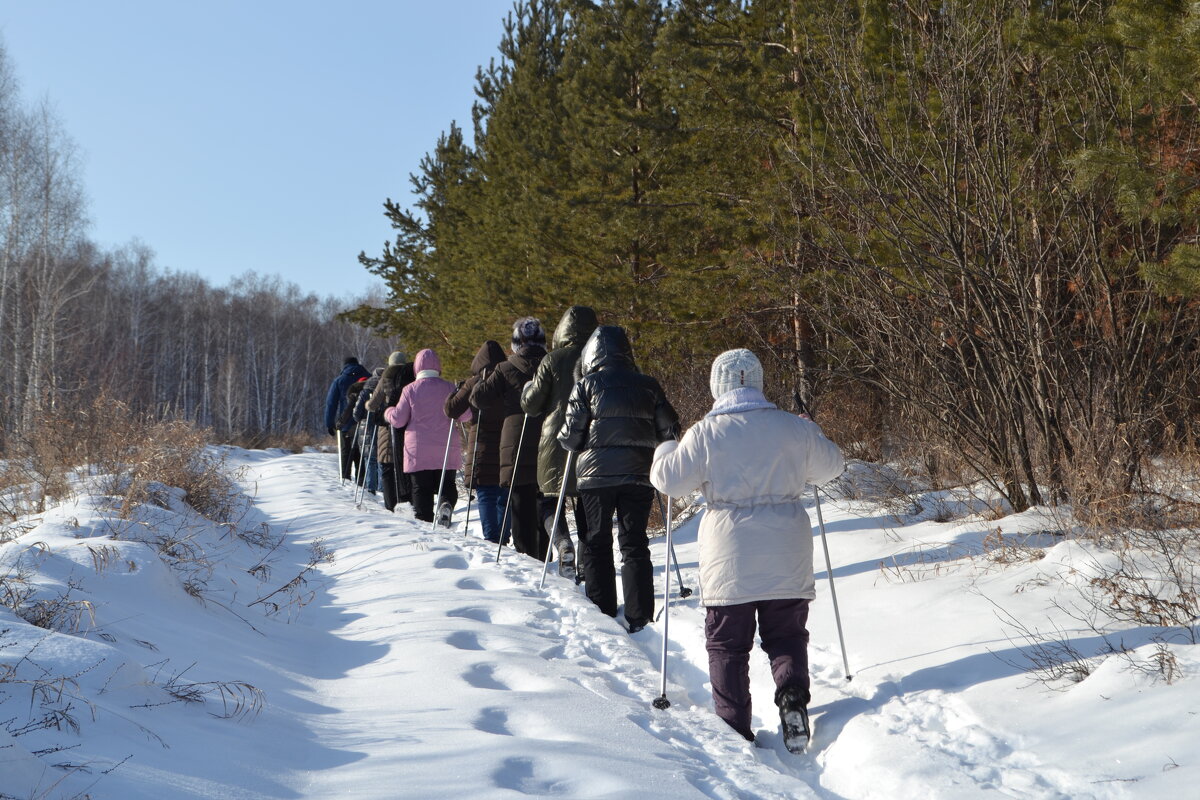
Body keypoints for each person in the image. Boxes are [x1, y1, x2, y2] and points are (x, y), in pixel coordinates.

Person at [649, 348, 844, 749]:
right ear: (757, 382)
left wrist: (664, 449)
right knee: (786, 634)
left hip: (730, 553)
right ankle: (792, 697)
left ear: (716, 387)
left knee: (727, 643)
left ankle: (733, 727)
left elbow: (668, 481)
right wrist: (815, 431)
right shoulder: (793, 428)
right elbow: (832, 466)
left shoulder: (705, 432)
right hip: (787, 548)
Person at [558, 325, 679, 633]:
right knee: (635, 543)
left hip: (595, 478)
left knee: (597, 542)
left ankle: (602, 610)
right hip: (639, 474)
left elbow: (572, 438)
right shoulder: (648, 385)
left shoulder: (586, 385)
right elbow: (670, 429)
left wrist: (565, 437)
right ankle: (640, 614)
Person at [521, 305, 598, 576]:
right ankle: (586, 561)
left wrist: (528, 389)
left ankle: (562, 542)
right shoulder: (599, 356)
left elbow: (532, 405)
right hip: (591, 439)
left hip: (555, 440)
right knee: (587, 502)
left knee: (550, 500)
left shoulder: (552, 359)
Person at [471, 318, 549, 559]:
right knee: (545, 499)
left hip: (516, 442)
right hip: (548, 439)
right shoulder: (552, 365)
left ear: (516, 343)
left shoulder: (505, 369)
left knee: (520, 502)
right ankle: (547, 554)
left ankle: (528, 555)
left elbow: (478, 399)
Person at [385, 348, 471, 524]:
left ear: (417, 368)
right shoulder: (449, 387)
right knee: (447, 485)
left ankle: (425, 524)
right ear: (438, 366)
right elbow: (466, 415)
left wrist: (388, 412)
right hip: (446, 448)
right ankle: (446, 504)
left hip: (418, 450)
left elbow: (398, 420)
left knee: (421, 489)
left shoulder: (410, 390)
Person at [445, 341, 509, 543]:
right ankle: (503, 538)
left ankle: (491, 538)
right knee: (503, 493)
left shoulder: (473, 383)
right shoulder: (508, 378)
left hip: (480, 444)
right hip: (507, 442)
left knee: (486, 494)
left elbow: (451, 410)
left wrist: (455, 391)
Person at [366, 351, 416, 512]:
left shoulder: (385, 377)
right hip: (408, 427)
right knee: (406, 468)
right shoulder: (411, 376)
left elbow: (373, 404)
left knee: (387, 468)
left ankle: (390, 505)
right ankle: (408, 501)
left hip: (388, 427)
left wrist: (368, 405)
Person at [324, 356, 369, 480]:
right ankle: (362, 482)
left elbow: (331, 403)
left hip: (346, 422)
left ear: (345, 366)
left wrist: (329, 423)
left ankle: (345, 478)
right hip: (365, 423)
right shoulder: (369, 378)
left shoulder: (339, 380)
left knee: (346, 453)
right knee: (361, 454)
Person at [353, 366, 385, 496]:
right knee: (382, 459)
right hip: (383, 426)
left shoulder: (365, 390)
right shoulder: (387, 388)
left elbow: (356, 413)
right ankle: (382, 488)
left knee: (369, 458)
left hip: (366, 428)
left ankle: (371, 487)